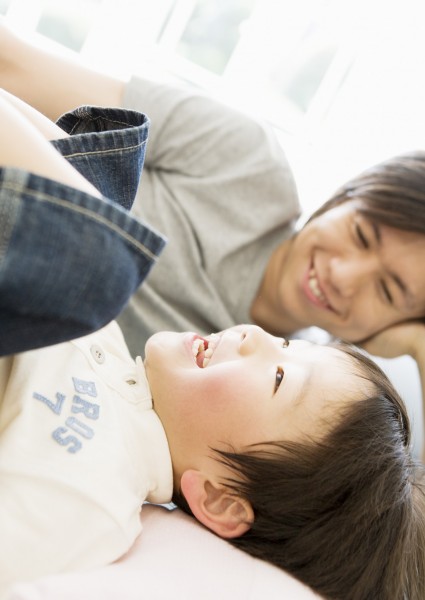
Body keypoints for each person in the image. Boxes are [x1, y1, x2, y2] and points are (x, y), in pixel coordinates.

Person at [0, 85, 424, 600]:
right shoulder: (111, 346)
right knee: (108, 191)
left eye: (279, 376)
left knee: (103, 261)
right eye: (287, 346)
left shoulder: (96, 499)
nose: (258, 338)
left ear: (220, 499)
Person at [2, 24, 425, 456]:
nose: (342, 275)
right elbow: (13, 65)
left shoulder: (288, 420)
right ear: (343, 197)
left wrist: (420, 347)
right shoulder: (248, 160)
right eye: (361, 235)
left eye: (388, 291)